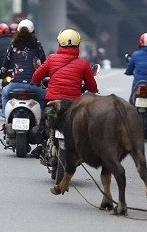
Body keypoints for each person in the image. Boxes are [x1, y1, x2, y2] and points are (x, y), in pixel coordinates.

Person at [31, 28, 98, 158]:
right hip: (73, 104)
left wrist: (36, 82)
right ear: (78, 44)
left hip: (52, 101)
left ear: (60, 43)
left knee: (44, 120)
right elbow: (92, 86)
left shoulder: (51, 59)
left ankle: (40, 145)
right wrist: (92, 91)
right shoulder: (83, 63)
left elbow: (36, 77)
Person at [0, 19, 46, 118]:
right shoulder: (37, 45)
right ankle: (41, 118)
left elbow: (6, 62)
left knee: (4, 93)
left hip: (15, 85)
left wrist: (1, 73)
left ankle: (4, 114)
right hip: (34, 85)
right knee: (44, 96)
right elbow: (44, 63)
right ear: (33, 32)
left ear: (18, 32)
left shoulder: (13, 44)